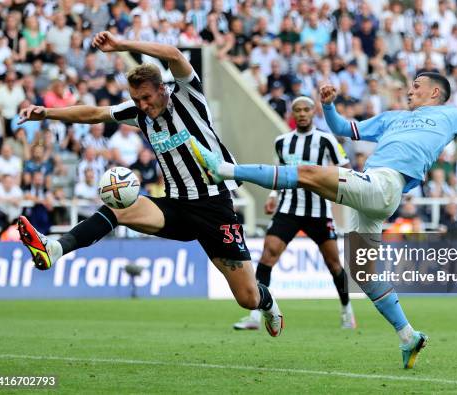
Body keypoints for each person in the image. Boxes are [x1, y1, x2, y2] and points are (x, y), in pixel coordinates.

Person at [189, 72, 457, 369]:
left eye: (417, 87)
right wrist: (329, 107)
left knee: (307, 173)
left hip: (385, 185)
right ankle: (408, 336)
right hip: (370, 195)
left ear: (435, 93)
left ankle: (226, 169)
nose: (411, 91)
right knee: (364, 272)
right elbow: (343, 130)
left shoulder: (451, 115)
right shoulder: (393, 118)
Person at [16, 32, 284, 337]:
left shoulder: (188, 96)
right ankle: (55, 248)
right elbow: (94, 113)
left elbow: (173, 54)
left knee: (246, 297)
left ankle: (269, 303)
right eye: (136, 100)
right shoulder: (139, 115)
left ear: (162, 89)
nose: (142, 105)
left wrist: (122, 45)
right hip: (175, 206)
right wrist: (47, 113)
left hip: (214, 207)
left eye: (146, 98)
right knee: (119, 209)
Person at [233, 96, 356, 331]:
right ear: (292, 113)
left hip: (319, 211)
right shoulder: (282, 142)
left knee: (334, 263)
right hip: (288, 209)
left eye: (306, 110)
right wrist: (271, 197)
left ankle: (346, 310)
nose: (301, 114)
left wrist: (330, 186)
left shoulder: (326, 140)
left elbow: (346, 169)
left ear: (313, 112)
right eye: (297, 110)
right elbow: (278, 173)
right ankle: (255, 316)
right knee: (267, 256)